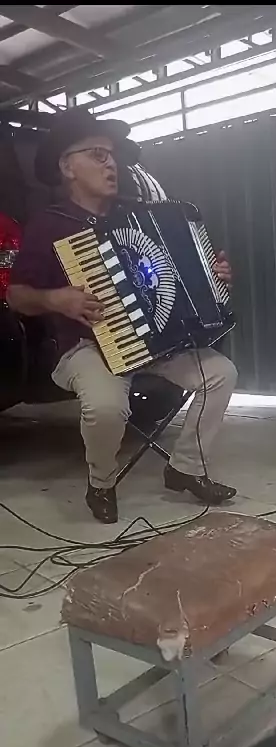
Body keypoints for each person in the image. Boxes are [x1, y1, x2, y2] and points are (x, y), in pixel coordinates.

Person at [8, 108, 238, 524]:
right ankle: (101, 481)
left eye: (112, 155)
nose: (110, 164)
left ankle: (185, 467)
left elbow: (171, 271)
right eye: (97, 154)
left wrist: (210, 273)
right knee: (105, 405)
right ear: (67, 167)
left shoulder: (141, 216)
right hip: (86, 345)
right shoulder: (49, 224)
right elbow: (17, 295)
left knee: (220, 373)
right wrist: (57, 299)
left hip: (156, 340)